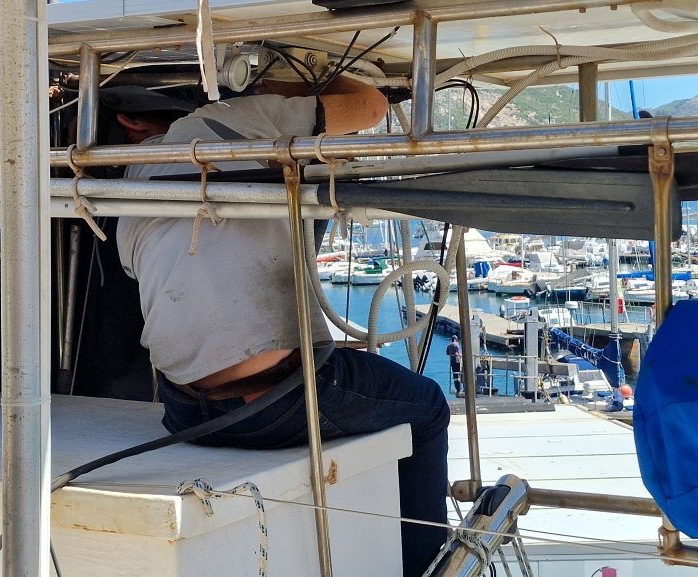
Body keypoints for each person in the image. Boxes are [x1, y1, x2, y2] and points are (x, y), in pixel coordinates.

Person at [110, 78, 450, 576]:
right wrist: (295, 80)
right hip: (274, 402)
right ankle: (424, 567)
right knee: (427, 407)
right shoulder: (231, 121)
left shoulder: (129, 183)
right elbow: (371, 106)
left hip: (184, 411)